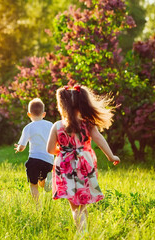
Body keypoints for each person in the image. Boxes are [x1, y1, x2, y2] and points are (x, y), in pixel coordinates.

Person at [46, 85, 120, 232]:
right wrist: (111, 156)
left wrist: (63, 151)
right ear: (82, 104)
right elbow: (100, 140)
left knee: (74, 205)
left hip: (65, 167)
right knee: (83, 202)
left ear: (62, 106)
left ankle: (82, 232)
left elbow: (49, 149)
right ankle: (84, 230)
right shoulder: (88, 124)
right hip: (84, 166)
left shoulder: (57, 126)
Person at [14, 98, 54, 204]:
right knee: (42, 181)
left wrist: (18, 148)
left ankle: (37, 205)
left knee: (33, 184)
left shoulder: (28, 127)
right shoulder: (51, 125)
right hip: (49, 160)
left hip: (34, 160)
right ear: (44, 114)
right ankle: (47, 181)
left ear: (29, 114)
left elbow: (22, 146)